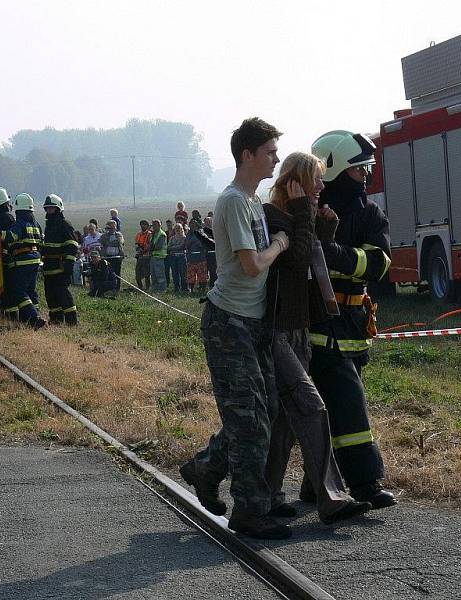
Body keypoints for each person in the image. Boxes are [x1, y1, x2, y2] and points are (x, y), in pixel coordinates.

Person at [179, 117, 291, 540]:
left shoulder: (252, 201)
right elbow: (250, 265)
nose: (275, 159)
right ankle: (250, 511)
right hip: (229, 322)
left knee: (265, 412)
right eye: (269, 152)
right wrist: (280, 244)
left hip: (252, 322)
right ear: (248, 155)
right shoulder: (232, 201)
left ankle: (205, 469)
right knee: (249, 421)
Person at [263, 151, 372, 524]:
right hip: (276, 330)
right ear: (296, 183)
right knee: (312, 407)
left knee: (283, 420)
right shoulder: (274, 217)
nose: (321, 188)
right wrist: (306, 218)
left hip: (298, 330)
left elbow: (309, 273)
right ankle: (333, 497)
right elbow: (294, 264)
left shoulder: (299, 218)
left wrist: (324, 231)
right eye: (316, 181)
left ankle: (261, 491)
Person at [304, 130, 396, 509]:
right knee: (349, 403)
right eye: (359, 171)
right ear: (336, 173)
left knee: (330, 408)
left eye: (368, 170)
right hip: (319, 326)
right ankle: (364, 483)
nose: (366, 178)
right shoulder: (308, 211)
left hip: (354, 323)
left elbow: (379, 262)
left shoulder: (370, 213)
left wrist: (337, 253)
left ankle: (316, 485)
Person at [2, 193, 45, 329]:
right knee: (31, 291)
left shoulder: (19, 223)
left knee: (19, 292)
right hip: (35, 260)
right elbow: (41, 242)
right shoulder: (36, 224)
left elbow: (10, 237)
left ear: (19, 210)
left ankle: (34, 317)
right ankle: (36, 314)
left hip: (22, 261)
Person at [40, 194, 79, 326]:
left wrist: (69, 264)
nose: (49, 211)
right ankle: (56, 320)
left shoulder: (64, 224)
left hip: (60, 266)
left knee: (62, 294)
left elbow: (72, 245)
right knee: (50, 295)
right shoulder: (48, 226)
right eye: (48, 208)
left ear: (58, 209)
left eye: (52, 208)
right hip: (49, 267)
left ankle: (71, 321)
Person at [184, 219, 209, 294]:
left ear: (197, 225)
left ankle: (202, 289)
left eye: (194, 224)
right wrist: (193, 241)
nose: (192, 226)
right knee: (191, 276)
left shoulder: (202, 233)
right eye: (191, 224)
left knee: (202, 275)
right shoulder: (188, 234)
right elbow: (187, 244)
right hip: (191, 258)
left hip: (200, 258)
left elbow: (203, 243)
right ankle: (191, 289)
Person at [100, 220, 125, 290]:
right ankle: (109, 288)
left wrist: (109, 243)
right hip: (107, 257)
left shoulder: (119, 234)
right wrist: (111, 243)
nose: (112, 229)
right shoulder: (104, 235)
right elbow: (103, 242)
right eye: (110, 227)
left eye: (113, 227)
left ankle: (117, 288)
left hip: (117, 257)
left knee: (117, 273)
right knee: (108, 273)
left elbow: (120, 242)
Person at [148, 219, 168, 292]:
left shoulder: (161, 234)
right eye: (153, 225)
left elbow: (158, 246)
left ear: (159, 225)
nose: (153, 227)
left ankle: (162, 289)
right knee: (153, 274)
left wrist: (150, 248)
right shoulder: (153, 234)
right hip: (153, 256)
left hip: (159, 256)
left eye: (155, 225)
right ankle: (155, 288)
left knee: (160, 274)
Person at [167, 223, 187, 292]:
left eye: (179, 228)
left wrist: (173, 247)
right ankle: (176, 288)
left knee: (183, 273)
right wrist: (176, 247)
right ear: (174, 230)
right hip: (173, 258)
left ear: (182, 229)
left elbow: (182, 246)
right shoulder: (172, 238)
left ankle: (184, 288)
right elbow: (168, 247)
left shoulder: (184, 238)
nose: (178, 229)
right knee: (175, 273)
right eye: (176, 228)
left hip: (182, 257)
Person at [134, 220, 152, 291]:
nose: (142, 226)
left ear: (147, 226)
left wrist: (144, 250)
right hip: (140, 256)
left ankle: (147, 288)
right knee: (137, 272)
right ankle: (140, 287)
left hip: (147, 256)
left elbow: (150, 245)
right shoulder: (138, 234)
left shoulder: (149, 234)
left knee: (147, 273)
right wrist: (138, 249)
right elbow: (136, 243)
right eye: (141, 224)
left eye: (144, 224)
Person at [203, 216, 217, 288]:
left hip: (213, 254)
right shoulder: (202, 232)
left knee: (213, 270)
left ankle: (213, 285)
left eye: (209, 222)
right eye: (206, 222)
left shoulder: (215, 231)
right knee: (204, 270)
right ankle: (203, 286)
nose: (207, 223)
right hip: (204, 254)